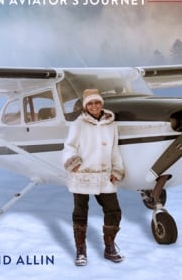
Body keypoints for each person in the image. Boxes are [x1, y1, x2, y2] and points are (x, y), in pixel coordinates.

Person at [62, 88, 125, 266]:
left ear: (101, 104)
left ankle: (109, 247)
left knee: (114, 211)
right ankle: (81, 251)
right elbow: (69, 147)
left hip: (104, 175)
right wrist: (73, 162)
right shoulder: (78, 124)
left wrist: (117, 170)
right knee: (80, 213)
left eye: (97, 102)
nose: (94, 106)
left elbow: (114, 149)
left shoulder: (111, 124)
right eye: (90, 103)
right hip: (82, 174)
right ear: (85, 106)